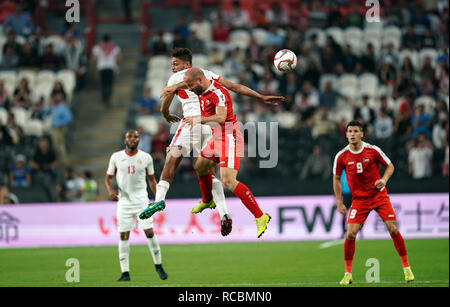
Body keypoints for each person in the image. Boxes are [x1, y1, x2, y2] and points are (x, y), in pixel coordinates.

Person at [139, 48, 283, 236]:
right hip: (213, 131)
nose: (173, 67)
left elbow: (219, 114)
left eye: (176, 64)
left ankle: (259, 215)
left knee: (179, 161)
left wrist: (168, 110)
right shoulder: (208, 77)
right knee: (201, 167)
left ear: (188, 66)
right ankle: (217, 208)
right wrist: (261, 96)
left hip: (218, 130)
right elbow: (235, 86)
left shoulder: (203, 88)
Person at [333, 120, 414, 285]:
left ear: (362, 134)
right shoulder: (341, 156)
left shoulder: (372, 150)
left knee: (393, 229)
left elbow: (390, 166)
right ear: (346, 134)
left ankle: (407, 268)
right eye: (350, 131)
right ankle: (348, 273)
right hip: (359, 200)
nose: (352, 134)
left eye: (356, 131)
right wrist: (339, 202)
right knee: (350, 234)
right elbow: (336, 178)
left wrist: (384, 180)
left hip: (379, 196)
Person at [105, 130, 167, 282]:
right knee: (123, 235)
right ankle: (125, 273)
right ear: (125, 139)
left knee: (149, 232)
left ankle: (158, 265)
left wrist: (158, 198)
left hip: (141, 202)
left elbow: (152, 180)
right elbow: (108, 178)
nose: (132, 139)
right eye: (129, 136)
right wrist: (111, 190)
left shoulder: (146, 158)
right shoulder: (116, 157)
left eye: (136, 137)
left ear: (139, 140)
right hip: (124, 202)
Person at [91, 34, 121, 107]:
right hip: (111, 67)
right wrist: (116, 65)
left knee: (103, 84)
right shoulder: (114, 47)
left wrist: (94, 66)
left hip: (102, 68)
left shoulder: (97, 47)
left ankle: (104, 97)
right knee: (109, 84)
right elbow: (119, 57)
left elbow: (94, 58)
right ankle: (109, 97)